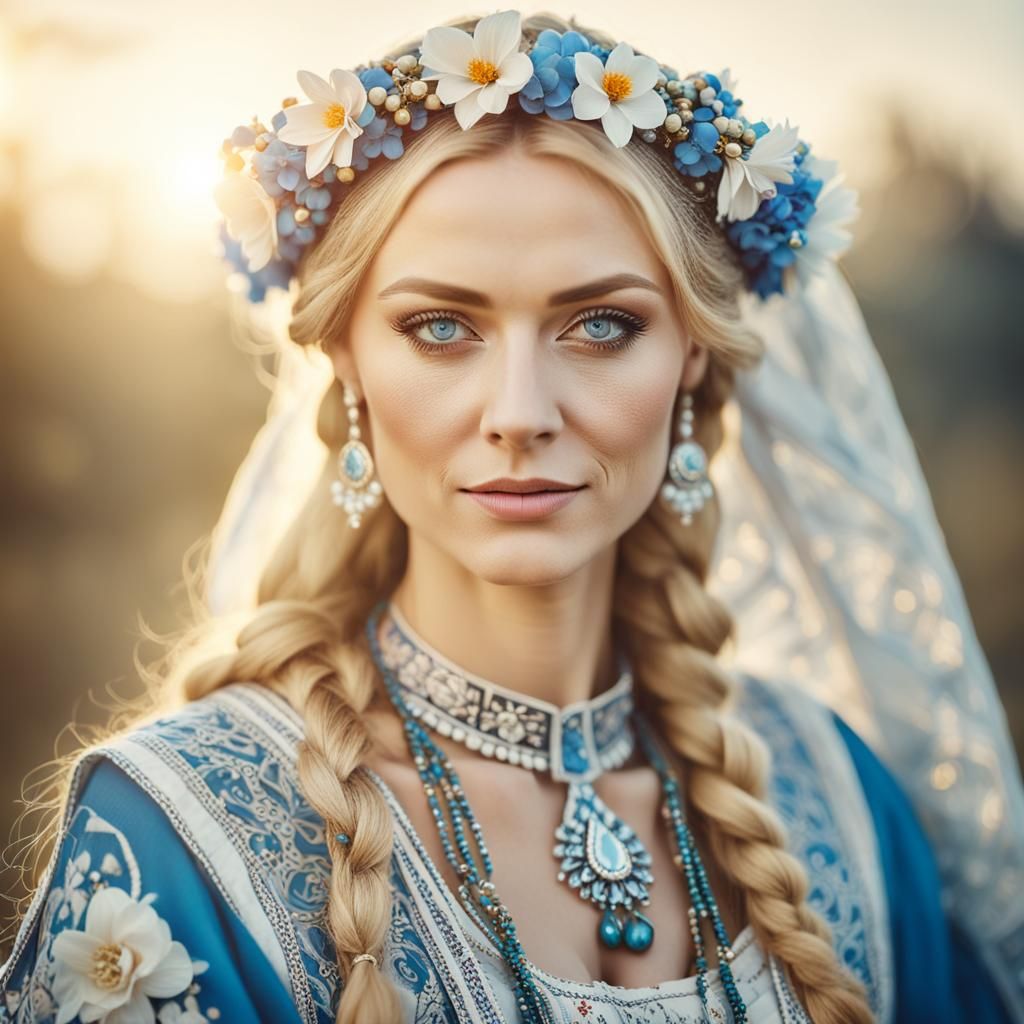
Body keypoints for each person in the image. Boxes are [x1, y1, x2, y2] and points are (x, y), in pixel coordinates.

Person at [2, 9, 1021, 1024]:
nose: (520, 415)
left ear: (692, 359)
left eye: (601, 325)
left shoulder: (839, 803)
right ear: (348, 362)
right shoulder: (186, 831)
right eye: (441, 327)